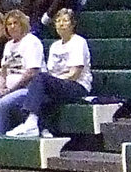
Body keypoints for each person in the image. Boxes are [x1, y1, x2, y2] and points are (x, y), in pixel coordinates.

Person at [7, 9, 92, 137]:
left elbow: (74, 74)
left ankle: (31, 123)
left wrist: (52, 81)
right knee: (39, 87)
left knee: (40, 78)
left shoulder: (79, 42)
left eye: (65, 21)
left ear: (72, 24)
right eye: (58, 21)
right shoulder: (55, 46)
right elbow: (51, 72)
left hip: (77, 86)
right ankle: (41, 128)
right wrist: (52, 82)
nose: (61, 24)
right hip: (59, 84)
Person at [0, 10, 44, 135]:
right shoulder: (8, 45)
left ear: (22, 24)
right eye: (9, 24)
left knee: (5, 102)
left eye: (15, 23)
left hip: (27, 88)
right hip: (8, 87)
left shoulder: (32, 42)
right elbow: (3, 71)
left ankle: (2, 134)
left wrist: (10, 90)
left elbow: (31, 73)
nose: (12, 27)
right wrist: (1, 87)